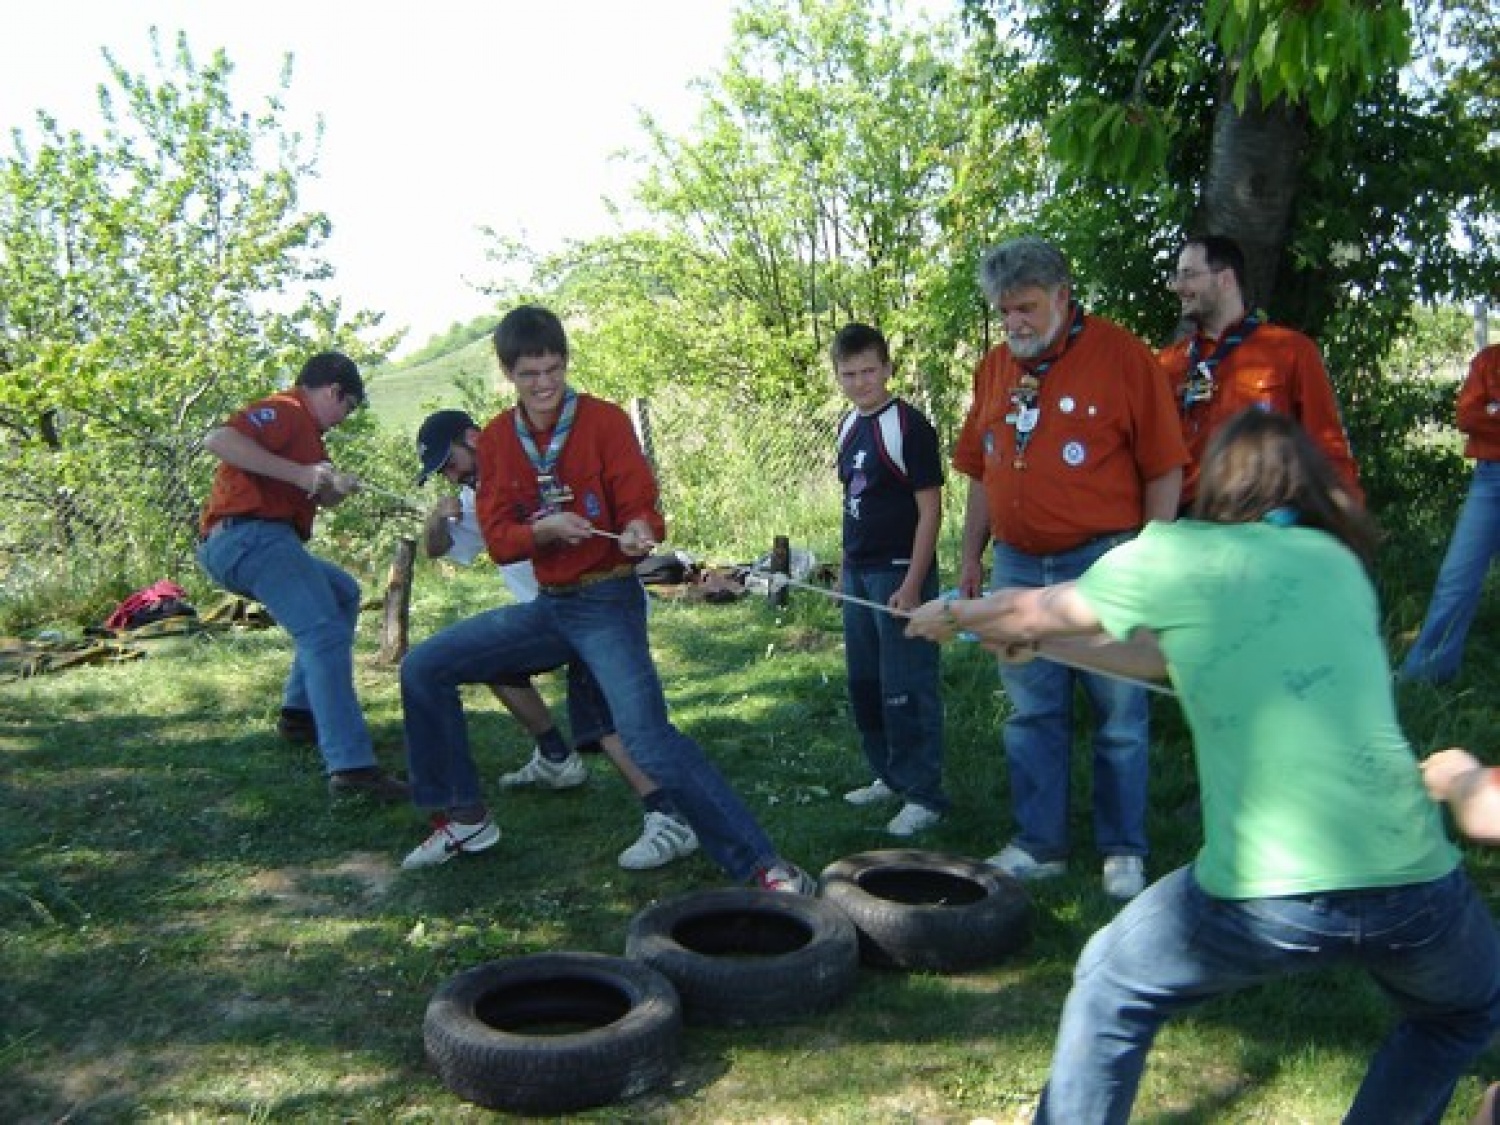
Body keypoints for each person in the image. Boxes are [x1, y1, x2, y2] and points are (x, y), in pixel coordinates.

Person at [909, 407, 1500, 1124]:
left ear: (1213, 484)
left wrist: (956, 612)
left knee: (1111, 978)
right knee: (1461, 1009)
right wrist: (1047, 646)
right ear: (1307, 485)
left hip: (1269, 886)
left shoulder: (1177, 553)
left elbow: (1034, 608)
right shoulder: (1338, 566)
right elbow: (1165, 656)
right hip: (1415, 880)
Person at [396, 305, 815, 892]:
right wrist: (544, 530)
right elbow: (499, 540)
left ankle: (763, 866)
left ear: (565, 362)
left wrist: (641, 526)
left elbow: (641, 503)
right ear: (508, 374)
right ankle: (464, 819)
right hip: (551, 607)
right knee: (424, 665)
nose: (543, 385)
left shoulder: (604, 422)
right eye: (529, 374)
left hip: (607, 600)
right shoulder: (496, 439)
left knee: (647, 738)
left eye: (553, 369)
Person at [951, 235, 1188, 900]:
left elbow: (1165, 465)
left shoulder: (1122, 356)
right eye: (1004, 312)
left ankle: (1123, 849)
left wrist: (1155, 560)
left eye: (1025, 307)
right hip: (1018, 560)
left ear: (1062, 294)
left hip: (1104, 559)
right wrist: (973, 554)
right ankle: (1040, 844)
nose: (1014, 323)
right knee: (1031, 709)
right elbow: (979, 468)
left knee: (1118, 709)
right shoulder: (996, 366)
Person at [414, 408, 699, 871]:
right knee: (491, 662)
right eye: (443, 470)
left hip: (596, 609)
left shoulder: (534, 470)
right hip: (546, 620)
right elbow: (436, 548)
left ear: (473, 437)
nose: (451, 474)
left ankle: (669, 816)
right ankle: (555, 757)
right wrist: (436, 519)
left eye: (451, 461)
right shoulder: (471, 501)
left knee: (609, 721)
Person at [197, 351, 407, 801]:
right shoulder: (288, 410)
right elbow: (218, 439)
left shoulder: (309, 436)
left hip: (263, 541)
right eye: (347, 408)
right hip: (251, 537)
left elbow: (314, 492)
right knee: (324, 635)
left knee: (342, 593)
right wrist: (303, 473)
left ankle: (299, 714)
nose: (344, 419)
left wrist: (332, 487)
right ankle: (352, 768)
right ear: (333, 391)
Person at [830, 324, 949, 836]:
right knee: (867, 683)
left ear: (888, 369)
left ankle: (925, 794)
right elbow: (850, 504)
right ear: (837, 376)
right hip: (859, 574)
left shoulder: (908, 426)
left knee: (906, 685)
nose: (860, 383)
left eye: (869, 371)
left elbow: (931, 510)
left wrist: (914, 583)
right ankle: (888, 774)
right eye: (849, 374)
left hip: (900, 575)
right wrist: (842, 572)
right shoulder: (847, 426)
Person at [1159, 233, 1363, 509]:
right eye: (1177, 277)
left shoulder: (1291, 351)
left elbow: (1327, 446)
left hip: (1265, 518)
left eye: (1189, 275)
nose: (1178, 287)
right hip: (1189, 524)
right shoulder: (1167, 364)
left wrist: (1346, 523)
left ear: (1225, 279)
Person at [1400, 343, 1500, 685]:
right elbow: (1467, 416)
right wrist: (1487, 414)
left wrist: (1495, 412)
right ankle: (1428, 672)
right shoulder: (1489, 361)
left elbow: (1483, 417)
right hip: (1490, 478)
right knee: (1457, 577)